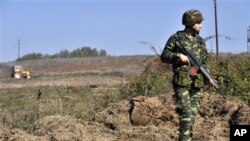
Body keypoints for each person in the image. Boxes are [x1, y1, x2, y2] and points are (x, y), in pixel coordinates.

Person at [160, 9, 208, 141]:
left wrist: (208, 77)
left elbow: (204, 62)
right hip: (182, 83)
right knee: (186, 113)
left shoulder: (200, 41)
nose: (201, 25)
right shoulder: (176, 38)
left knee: (192, 115)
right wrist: (178, 56)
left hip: (197, 83)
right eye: (198, 22)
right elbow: (164, 56)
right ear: (190, 23)